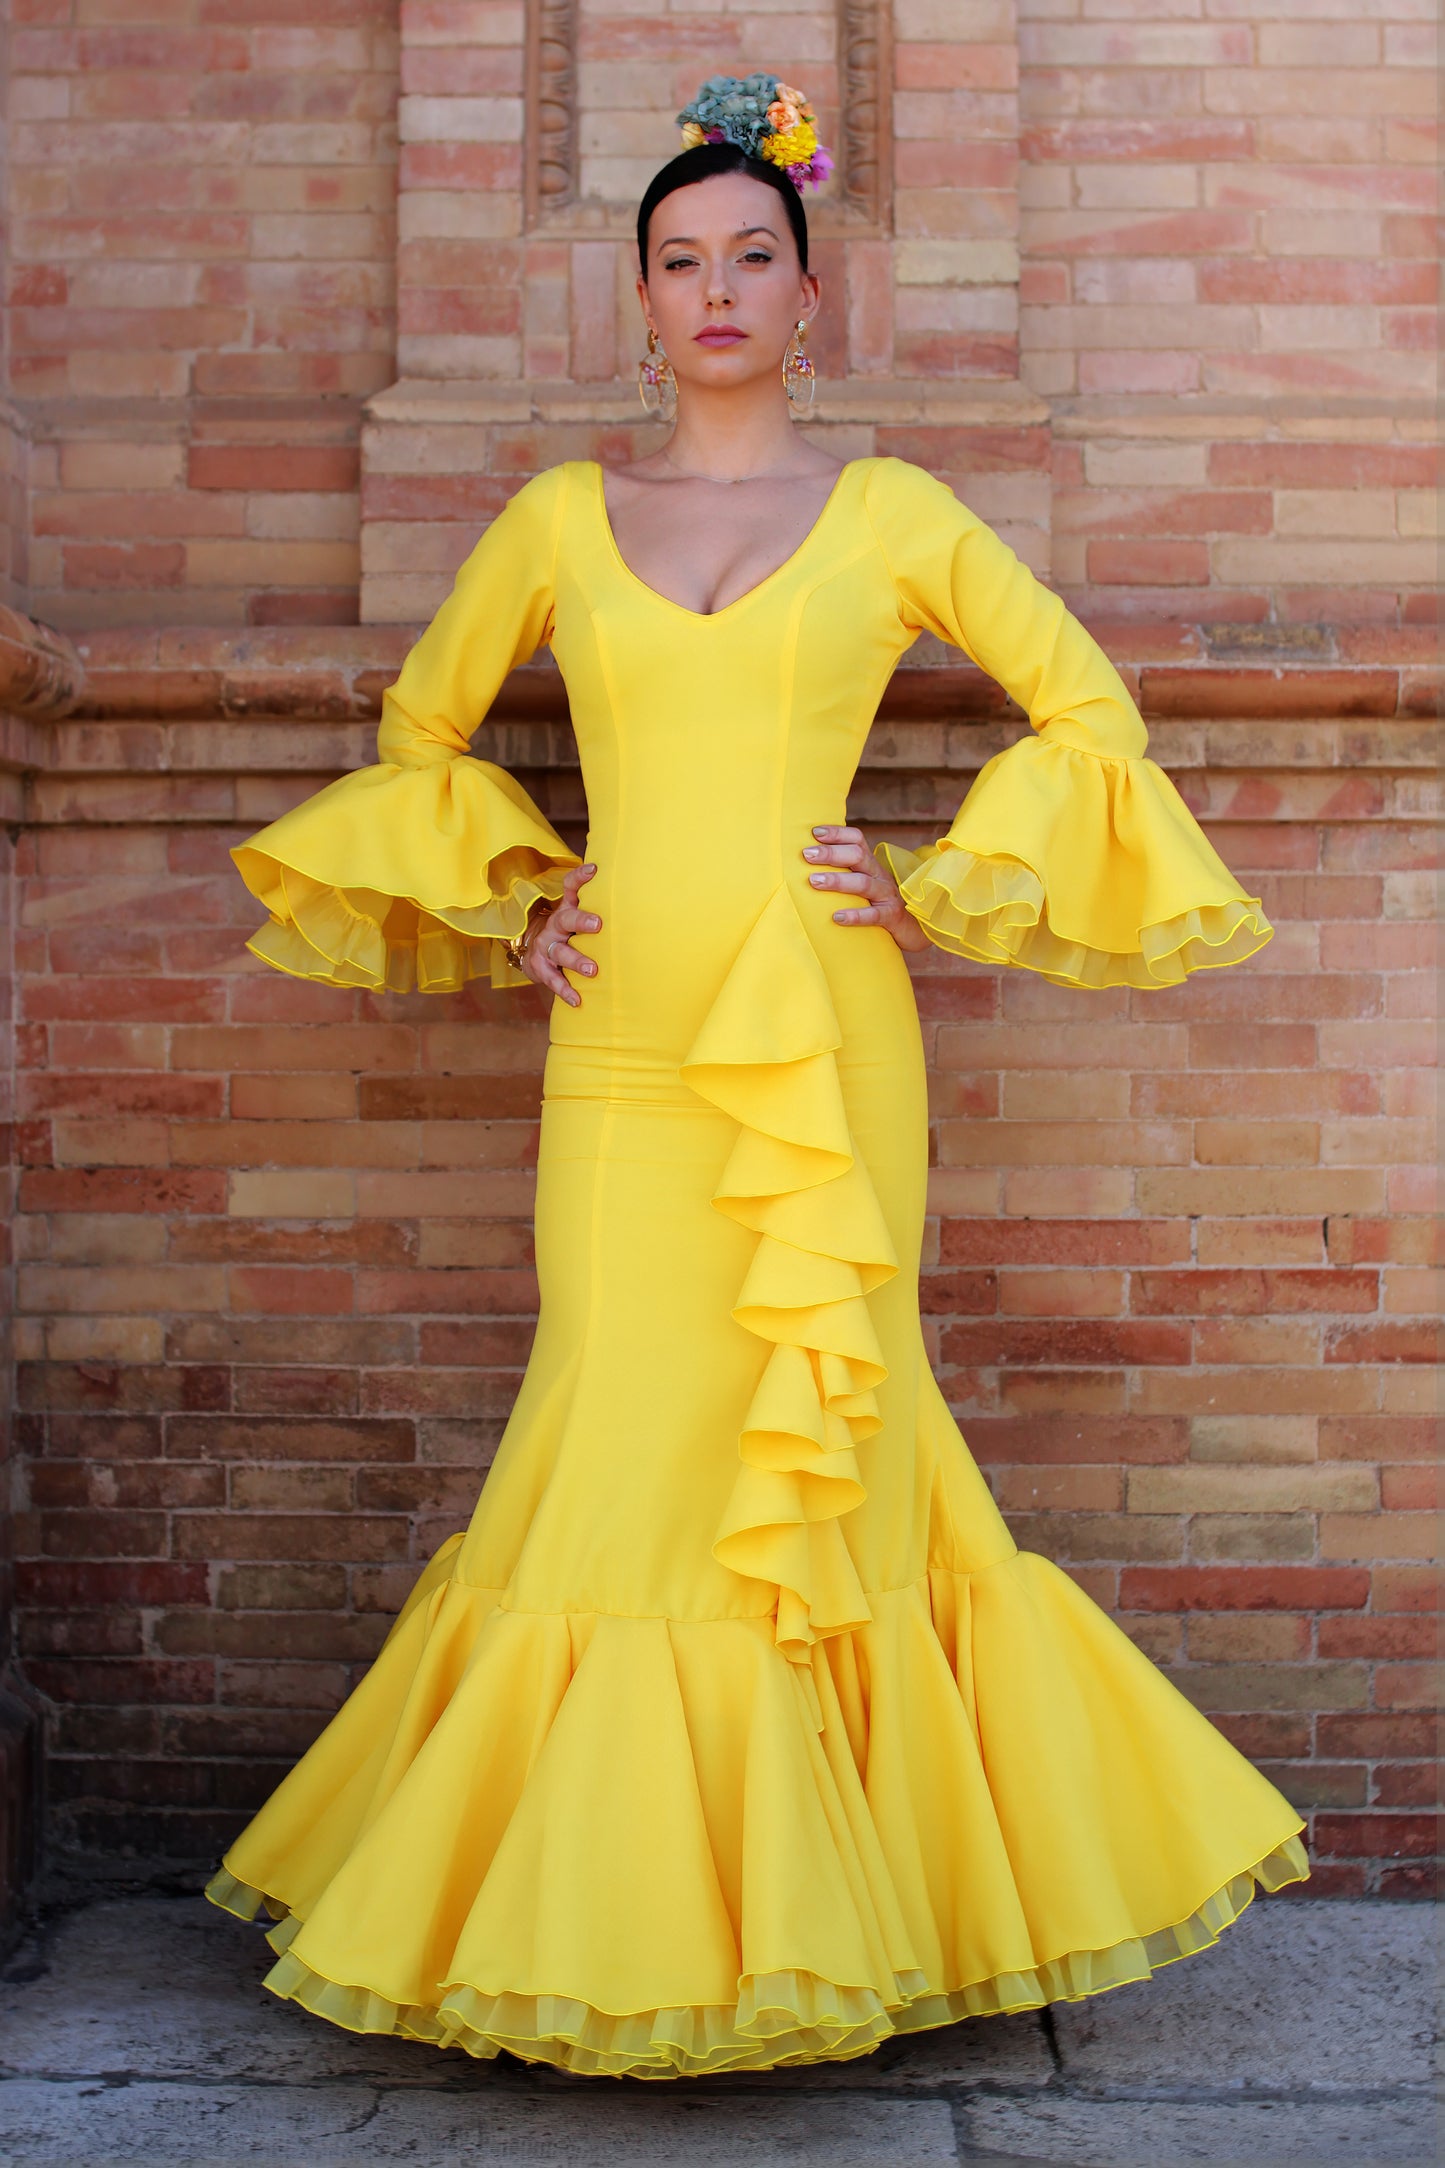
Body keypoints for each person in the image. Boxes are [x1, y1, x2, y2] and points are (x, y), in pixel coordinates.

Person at [207, 75, 1309, 2081]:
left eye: (751, 258)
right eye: (678, 261)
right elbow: (422, 730)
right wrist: (522, 900)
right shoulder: (560, 514)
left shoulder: (890, 513)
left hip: (826, 1043)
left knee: (834, 1450)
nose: (715, 291)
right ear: (639, 302)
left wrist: (935, 880)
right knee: (617, 1435)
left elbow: (1089, 706)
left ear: (813, 296)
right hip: (623, 1054)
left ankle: (849, 1913)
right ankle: (599, 1922)